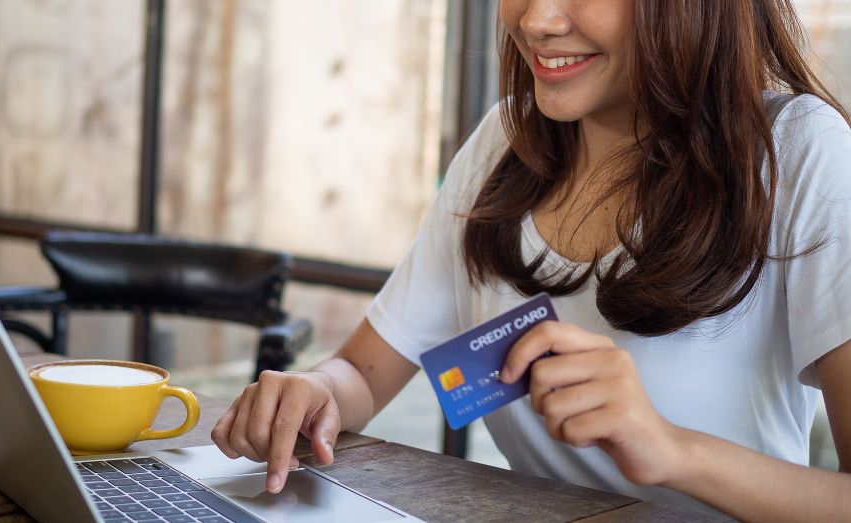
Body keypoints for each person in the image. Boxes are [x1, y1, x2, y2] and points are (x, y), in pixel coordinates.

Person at [212, 0, 851, 519]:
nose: (537, 20)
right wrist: (316, 392)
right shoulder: (503, 140)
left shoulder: (802, 152)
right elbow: (362, 370)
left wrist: (674, 451)